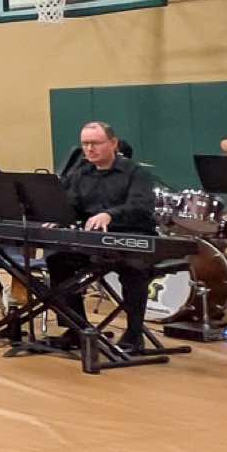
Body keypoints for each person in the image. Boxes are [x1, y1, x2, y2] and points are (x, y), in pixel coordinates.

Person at [45, 121, 159, 354]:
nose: (89, 149)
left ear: (113, 143)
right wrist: (59, 217)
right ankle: (77, 329)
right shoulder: (80, 173)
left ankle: (134, 335)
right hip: (94, 241)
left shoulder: (137, 173)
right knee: (58, 261)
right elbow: (72, 205)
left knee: (134, 269)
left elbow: (141, 207)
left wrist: (110, 215)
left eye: (95, 143)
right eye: (85, 144)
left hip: (132, 237)